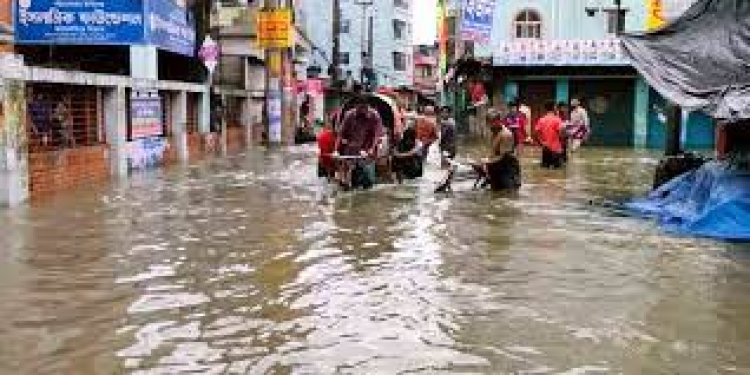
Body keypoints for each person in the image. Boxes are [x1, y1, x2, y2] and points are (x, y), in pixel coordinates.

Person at [335, 96, 383, 189]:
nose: (361, 111)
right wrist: (336, 150)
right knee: (352, 179)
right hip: (352, 148)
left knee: (368, 179)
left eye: (363, 108)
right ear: (356, 106)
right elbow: (340, 134)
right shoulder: (349, 115)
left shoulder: (374, 116)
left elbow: (377, 135)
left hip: (368, 149)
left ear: (367, 107)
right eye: (359, 108)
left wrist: (371, 149)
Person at [535, 101, 565, 169]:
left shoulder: (541, 120)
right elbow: (562, 133)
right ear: (554, 108)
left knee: (545, 170)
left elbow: (536, 133)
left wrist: (541, 142)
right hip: (556, 149)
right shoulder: (557, 120)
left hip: (545, 149)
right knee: (558, 173)